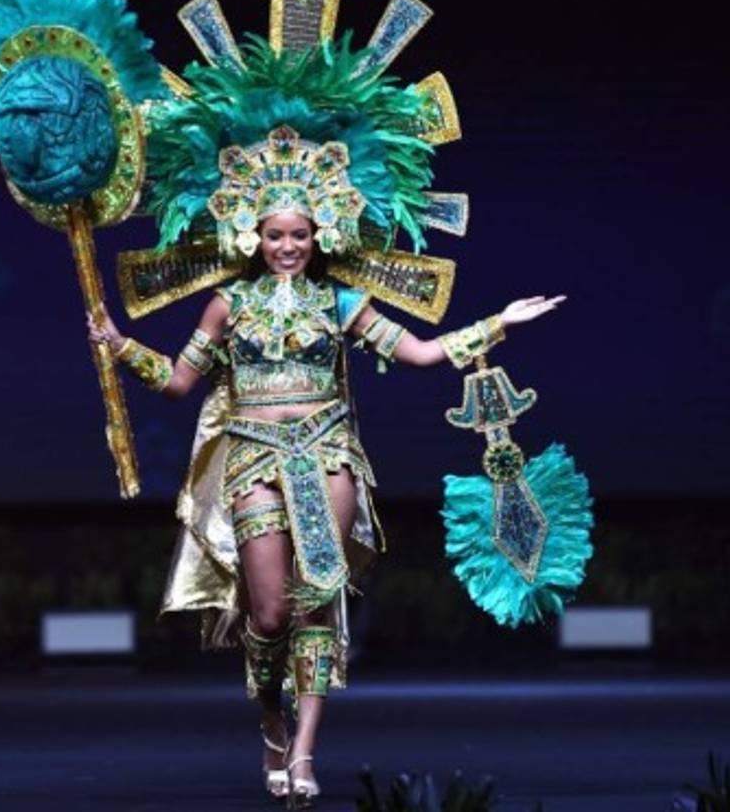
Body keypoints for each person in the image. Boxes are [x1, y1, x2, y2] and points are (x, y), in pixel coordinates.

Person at [90, 208, 564, 806]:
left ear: (319, 238)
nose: (287, 246)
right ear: (254, 238)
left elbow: (417, 353)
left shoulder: (343, 303)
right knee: (266, 617)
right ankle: (271, 725)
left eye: (299, 235)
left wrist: (499, 322)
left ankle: (305, 751)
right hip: (254, 458)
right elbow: (181, 381)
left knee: (315, 605)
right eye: (275, 235)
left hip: (326, 457)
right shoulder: (227, 304)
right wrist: (120, 344)